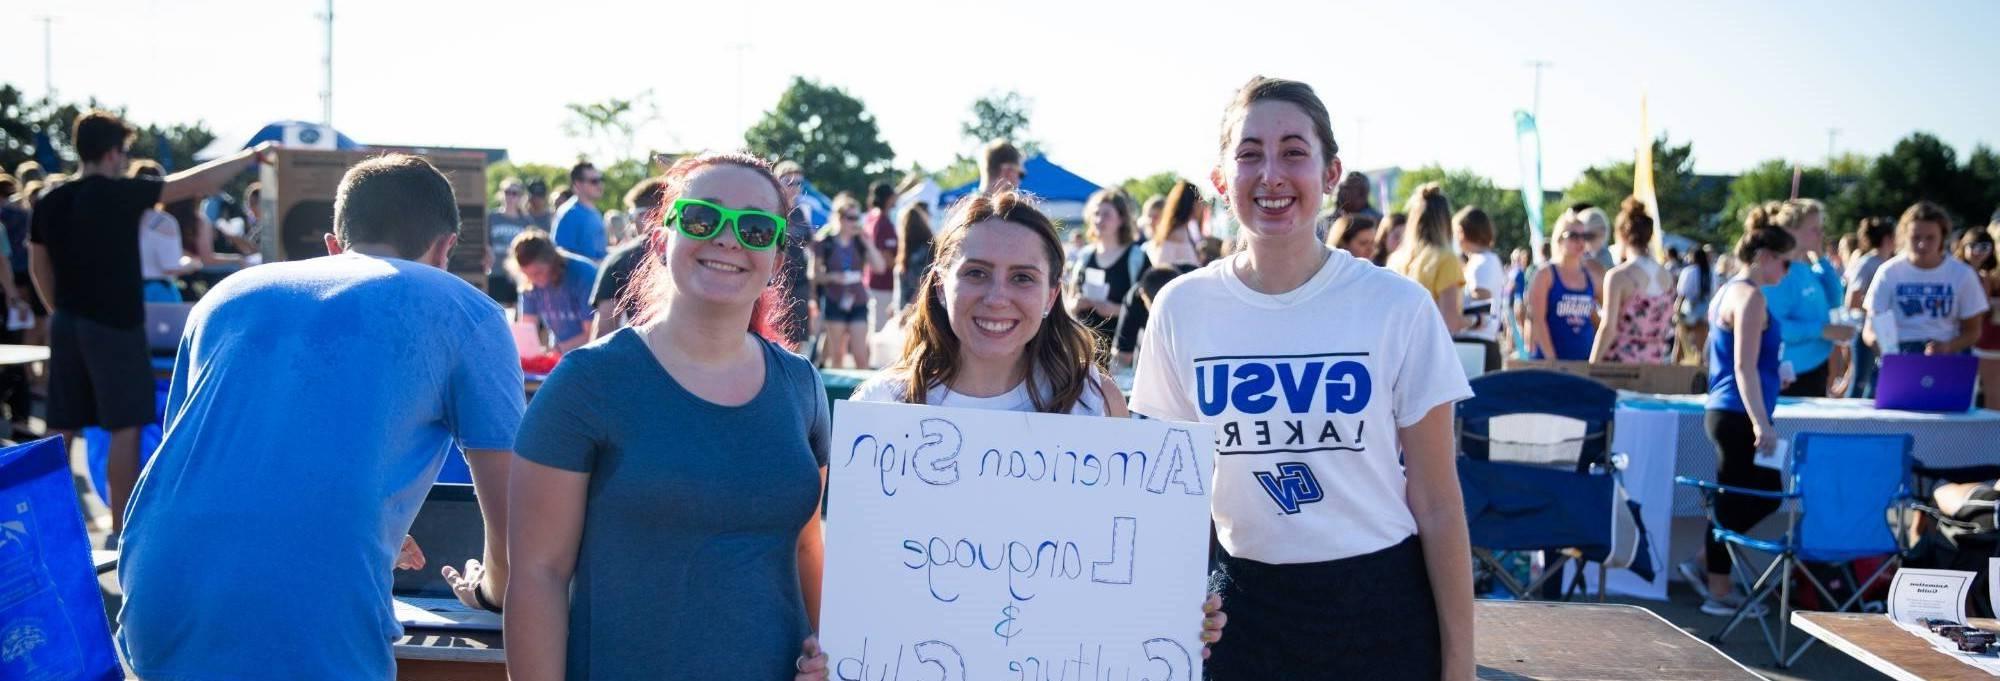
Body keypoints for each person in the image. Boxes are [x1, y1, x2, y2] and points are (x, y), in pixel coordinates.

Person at [117, 154, 522, 680]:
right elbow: (517, 516)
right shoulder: (466, 310)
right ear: (446, 248)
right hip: (308, 611)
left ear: (334, 244)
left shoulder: (224, 297)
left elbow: (206, 463)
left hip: (155, 588)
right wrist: (490, 590)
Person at [1131, 76, 1473, 680]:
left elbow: (1439, 503)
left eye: (1294, 151)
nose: (1272, 174)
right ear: (1219, 180)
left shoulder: (1398, 306)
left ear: (1331, 173)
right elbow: (1170, 500)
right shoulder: (1182, 308)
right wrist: (1169, 604)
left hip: (1379, 605)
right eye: (1249, 154)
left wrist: (1460, 665)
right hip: (1241, 611)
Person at [505, 153, 830, 680]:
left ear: (775, 254)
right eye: (704, 219)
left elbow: (805, 545)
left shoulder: (801, 385)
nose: (728, 239)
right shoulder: (588, 383)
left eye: (754, 227)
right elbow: (539, 575)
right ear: (661, 239)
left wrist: (830, 650)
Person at [27, 110, 270, 542]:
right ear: (113, 152)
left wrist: (59, 309)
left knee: (60, 428)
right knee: (125, 425)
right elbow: (193, 183)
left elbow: (37, 262)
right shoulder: (120, 194)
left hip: (67, 322)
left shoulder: (51, 199)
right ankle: (121, 531)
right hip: (116, 323)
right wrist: (252, 156)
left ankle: (41, 527)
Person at [1676, 221, 1797, 617]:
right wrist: (1761, 423)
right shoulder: (1749, 297)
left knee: (1749, 497)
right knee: (1741, 500)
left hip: (1729, 409)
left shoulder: (1729, 291)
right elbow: (1742, 367)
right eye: (1785, 262)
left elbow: (1736, 361)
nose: (1787, 271)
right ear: (1764, 258)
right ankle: (1717, 587)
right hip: (1736, 412)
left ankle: (1705, 568)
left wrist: (1774, 373)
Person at [1864, 201, 1987, 358]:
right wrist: (1884, 349)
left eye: (1930, 238)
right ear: (1903, 237)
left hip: (1947, 356)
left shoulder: (1962, 274)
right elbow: (1870, 328)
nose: (1922, 244)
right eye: (1915, 237)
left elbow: (1973, 331)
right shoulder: (1888, 272)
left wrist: (1948, 346)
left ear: (1942, 237)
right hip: (1901, 353)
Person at [1761, 199, 1848, 396]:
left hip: (1814, 371)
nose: (1820, 234)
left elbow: (1835, 298)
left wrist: (1820, 257)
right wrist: (1821, 330)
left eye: (1820, 228)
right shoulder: (1778, 275)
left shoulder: (1806, 269)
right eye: (1813, 229)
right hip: (1790, 377)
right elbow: (1774, 328)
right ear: (1791, 231)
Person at [1590, 198, 1675, 364]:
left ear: (1622, 235)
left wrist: (1592, 365)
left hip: (1621, 365)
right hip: (1655, 362)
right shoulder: (1667, 276)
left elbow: (1608, 328)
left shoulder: (1618, 277)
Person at [1068, 188, 1149, 353]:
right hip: (1083, 351)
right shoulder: (1084, 256)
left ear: (1122, 219)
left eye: (1106, 214)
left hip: (1122, 355)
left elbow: (1149, 307)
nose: (1099, 219)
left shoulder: (1137, 258)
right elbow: (1069, 300)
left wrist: (1115, 310)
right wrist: (1076, 305)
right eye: (1096, 213)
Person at [589, 177, 668, 339]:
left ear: (647, 216)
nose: (631, 225)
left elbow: (604, 331)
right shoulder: (698, 255)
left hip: (642, 355)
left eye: (632, 217)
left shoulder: (619, 259)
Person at [1387, 182, 1469, 334]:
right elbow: (1449, 323)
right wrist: (1474, 321)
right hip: (1428, 349)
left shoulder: (1395, 259)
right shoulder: (1446, 259)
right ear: (1445, 221)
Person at [812, 193, 882, 368]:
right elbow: (814, 275)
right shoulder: (825, 242)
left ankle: (862, 395)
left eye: (857, 218)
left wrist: (869, 243)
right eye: (851, 218)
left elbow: (880, 267)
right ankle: (838, 395)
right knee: (837, 356)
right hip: (835, 301)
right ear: (839, 218)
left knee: (861, 356)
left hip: (858, 301)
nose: (855, 222)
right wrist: (832, 277)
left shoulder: (860, 242)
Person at [511, 231, 599, 354]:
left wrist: (557, 350)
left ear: (552, 261)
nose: (534, 280)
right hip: (560, 350)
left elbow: (594, 333)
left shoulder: (584, 275)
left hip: (591, 353)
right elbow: (527, 329)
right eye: (528, 275)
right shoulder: (529, 282)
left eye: (538, 273)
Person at [1525, 215, 1599, 361]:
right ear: (1559, 239)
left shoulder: (1590, 276)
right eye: (1573, 236)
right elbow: (1538, 321)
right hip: (1551, 365)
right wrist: (1553, 362)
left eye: (1584, 236)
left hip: (1584, 364)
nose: (1580, 241)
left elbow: (1601, 319)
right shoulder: (1545, 274)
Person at [1844, 217, 1896, 397]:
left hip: (1886, 332)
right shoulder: (1868, 262)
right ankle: (1848, 424)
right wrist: (1877, 306)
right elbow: (1851, 301)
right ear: (1888, 238)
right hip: (1865, 331)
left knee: (1877, 383)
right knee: (1859, 381)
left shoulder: (1890, 263)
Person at [128, 161, 196, 302]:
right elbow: (170, 267)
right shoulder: (164, 222)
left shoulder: (120, 219)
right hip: (158, 294)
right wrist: (191, 263)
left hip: (127, 292)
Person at [1954, 227, 2000, 408]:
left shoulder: (1986, 277)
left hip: (1980, 341)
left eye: (1984, 246)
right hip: (1956, 339)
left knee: (1986, 393)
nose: (1978, 251)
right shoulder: (1954, 272)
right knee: (1961, 392)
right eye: (1972, 245)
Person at [1456, 206, 1505, 372]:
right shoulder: (1485, 260)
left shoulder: (1481, 262)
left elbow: (1482, 298)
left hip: (1476, 344)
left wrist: (1459, 320)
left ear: (1462, 232)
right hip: (1479, 344)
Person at [772, 161, 815, 352]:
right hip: (773, 282)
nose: (795, 187)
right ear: (777, 182)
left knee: (797, 338)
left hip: (799, 283)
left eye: (799, 183)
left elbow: (812, 246)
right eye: (789, 182)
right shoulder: (770, 209)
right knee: (773, 333)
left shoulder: (800, 213)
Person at [488, 177, 534, 306]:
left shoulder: (526, 221)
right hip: (496, 272)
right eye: (507, 192)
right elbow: (485, 242)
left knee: (517, 314)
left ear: (520, 197)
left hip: (517, 274)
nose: (510, 196)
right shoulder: (492, 217)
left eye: (514, 193)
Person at [551, 161, 607, 262]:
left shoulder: (595, 212)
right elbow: (562, 255)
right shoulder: (569, 213)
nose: (600, 185)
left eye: (600, 180)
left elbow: (598, 252)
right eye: (594, 181)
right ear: (578, 184)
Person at [864, 180, 900, 332]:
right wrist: (904, 267)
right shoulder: (882, 222)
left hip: (874, 282)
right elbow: (886, 256)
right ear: (889, 198)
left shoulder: (872, 217)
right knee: (881, 331)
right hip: (882, 285)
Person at [1674, 245, 1717, 367]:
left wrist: (1676, 309)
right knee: (1700, 349)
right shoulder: (1710, 273)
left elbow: (1681, 293)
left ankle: (1675, 372)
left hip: (1687, 311)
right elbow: (1713, 293)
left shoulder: (1688, 271)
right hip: (1703, 312)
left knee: (1680, 344)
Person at [1147, 180, 1205, 269]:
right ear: (1192, 204)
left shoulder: (1172, 231)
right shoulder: (1179, 234)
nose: (1202, 206)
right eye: (1199, 201)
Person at [893, 202, 934, 312]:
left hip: (915, 311)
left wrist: (909, 308)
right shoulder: (910, 250)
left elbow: (924, 282)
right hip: (908, 309)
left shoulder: (921, 251)